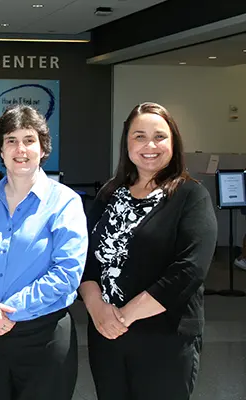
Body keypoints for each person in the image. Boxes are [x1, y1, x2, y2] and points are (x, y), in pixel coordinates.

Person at [78, 102, 217, 400]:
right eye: (139, 136)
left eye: (159, 136)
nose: (149, 145)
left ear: (174, 142)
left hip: (165, 339)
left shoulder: (191, 196)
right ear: (126, 143)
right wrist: (98, 311)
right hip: (107, 337)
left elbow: (189, 270)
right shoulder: (109, 193)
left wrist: (123, 317)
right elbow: (86, 260)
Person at [0, 105, 88, 400]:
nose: (21, 149)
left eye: (29, 140)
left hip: (43, 339)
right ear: (0, 150)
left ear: (43, 148)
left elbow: (66, 274)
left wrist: (6, 312)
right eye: (11, 140)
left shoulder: (64, 202)